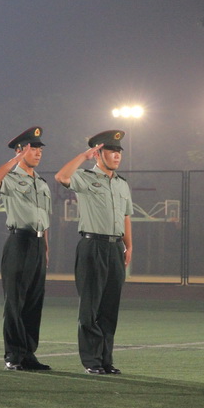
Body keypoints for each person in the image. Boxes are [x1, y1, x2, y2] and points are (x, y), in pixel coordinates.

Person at [55, 130, 133, 375]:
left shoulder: (122, 183)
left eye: (119, 151)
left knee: (110, 307)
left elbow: (126, 216)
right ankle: (91, 361)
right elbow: (61, 177)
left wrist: (129, 245)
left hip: (115, 248)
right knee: (90, 306)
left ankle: (106, 359)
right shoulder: (85, 177)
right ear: (98, 153)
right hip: (93, 246)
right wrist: (83, 156)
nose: (117, 155)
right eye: (111, 151)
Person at [0, 126, 52, 371]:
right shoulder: (11, 178)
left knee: (34, 302)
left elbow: (44, 218)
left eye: (39, 149)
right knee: (15, 302)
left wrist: (46, 247)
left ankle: (28, 354)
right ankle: (14, 355)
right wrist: (15, 160)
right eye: (32, 148)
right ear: (20, 151)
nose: (38, 152)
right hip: (19, 242)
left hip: (37, 243)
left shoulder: (41, 183)